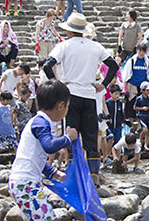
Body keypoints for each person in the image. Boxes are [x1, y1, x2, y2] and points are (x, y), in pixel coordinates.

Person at [9, 80, 77, 221]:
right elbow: (48, 146)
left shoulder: (35, 123)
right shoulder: (41, 123)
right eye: (66, 107)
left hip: (20, 181)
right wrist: (68, 138)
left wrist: (53, 172)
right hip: (26, 184)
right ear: (60, 106)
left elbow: (36, 156)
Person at [44, 12, 119, 177]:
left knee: (71, 135)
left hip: (70, 95)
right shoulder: (95, 46)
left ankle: (73, 174)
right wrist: (103, 85)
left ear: (69, 31)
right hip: (90, 95)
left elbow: (47, 65)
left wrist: (56, 83)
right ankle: (94, 176)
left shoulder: (64, 45)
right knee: (91, 138)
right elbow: (113, 65)